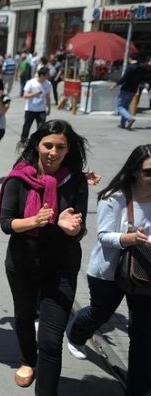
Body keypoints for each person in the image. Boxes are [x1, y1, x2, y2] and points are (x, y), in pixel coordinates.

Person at [0, 120, 89, 392]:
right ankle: (28, 360)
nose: (53, 152)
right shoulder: (19, 177)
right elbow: (6, 223)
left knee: (50, 340)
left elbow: (80, 227)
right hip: (23, 263)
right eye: (48, 145)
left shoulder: (75, 179)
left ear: (68, 149)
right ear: (37, 145)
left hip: (62, 267)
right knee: (24, 316)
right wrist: (34, 221)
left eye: (60, 147)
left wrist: (72, 228)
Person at [67, 145, 151, 395]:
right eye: (148, 172)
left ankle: (138, 387)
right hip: (109, 271)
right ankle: (75, 335)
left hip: (145, 272)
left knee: (143, 331)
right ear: (135, 171)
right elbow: (103, 235)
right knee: (99, 312)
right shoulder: (114, 197)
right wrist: (130, 238)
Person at [114, 57, 151, 130]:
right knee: (125, 106)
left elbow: (124, 78)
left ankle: (129, 118)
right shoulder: (141, 68)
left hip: (126, 88)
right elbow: (144, 77)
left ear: (130, 59)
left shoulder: (130, 67)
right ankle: (122, 124)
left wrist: (116, 84)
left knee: (120, 106)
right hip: (134, 90)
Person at [19, 68, 52, 145]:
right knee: (27, 126)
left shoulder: (48, 84)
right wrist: (35, 94)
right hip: (30, 109)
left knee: (41, 127)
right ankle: (23, 140)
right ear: (42, 75)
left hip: (41, 110)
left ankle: (38, 141)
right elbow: (25, 96)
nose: (48, 76)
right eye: (47, 75)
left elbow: (48, 96)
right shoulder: (31, 83)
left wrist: (49, 108)